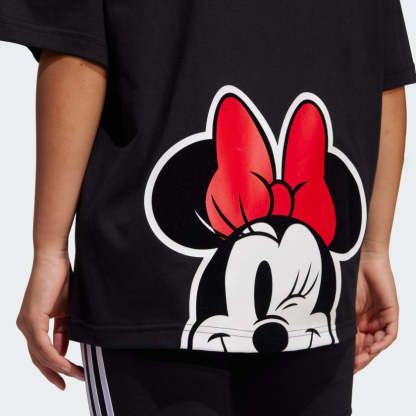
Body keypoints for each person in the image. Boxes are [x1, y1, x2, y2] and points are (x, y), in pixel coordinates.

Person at [1, 1, 415, 415]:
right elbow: (385, 73)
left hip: (149, 282)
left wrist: (50, 249)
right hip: (318, 286)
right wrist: (374, 250)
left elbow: (77, 52)